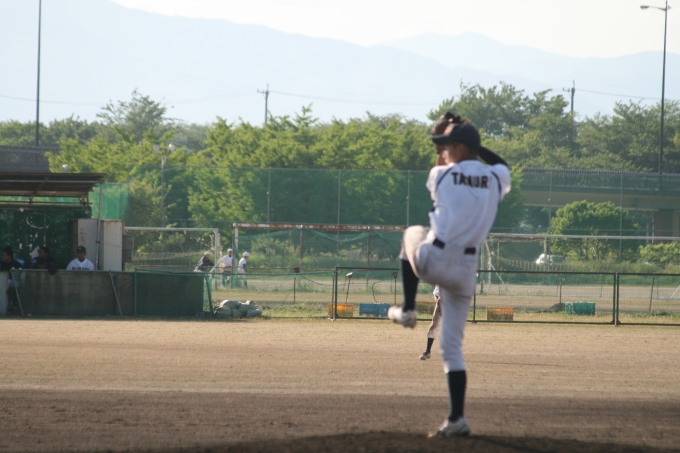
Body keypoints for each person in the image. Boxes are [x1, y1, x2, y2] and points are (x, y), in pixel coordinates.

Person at [388, 113, 511, 438]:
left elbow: (440, 158)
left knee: (412, 231)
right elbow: (502, 164)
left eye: (448, 145)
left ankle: (408, 308)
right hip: (466, 272)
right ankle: (457, 418)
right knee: (452, 349)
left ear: (459, 148)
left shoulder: (441, 174)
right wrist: (471, 143)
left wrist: (441, 130)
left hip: (436, 257)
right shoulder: (496, 178)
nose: (443, 150)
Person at [420, 285, 441, 360]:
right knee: (434, 326)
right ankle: (427, 351)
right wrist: (438, 302)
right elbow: (436, 294)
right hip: (441, 305)